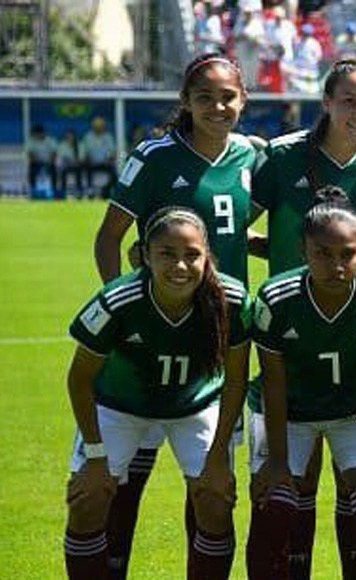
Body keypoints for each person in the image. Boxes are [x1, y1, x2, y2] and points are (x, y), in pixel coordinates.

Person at [91, 52, 263, 578]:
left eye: (228, 96)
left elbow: (232, 236)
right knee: (125, 481)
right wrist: (125, 311)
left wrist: (268, 249)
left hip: (218, 336)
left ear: (244, 101)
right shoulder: (155, 156)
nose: (217, 106)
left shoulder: (252, 159)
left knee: (210, 484)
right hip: (152, 336)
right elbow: (109, 240)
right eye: (204, 96)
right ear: (185, 102)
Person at [250, 58, 356, 579]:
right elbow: (231, 225)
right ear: (326, 102)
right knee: (291, 494)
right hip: (290, 337)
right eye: (349, 100)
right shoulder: (284, 156)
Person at [63, 206, 251, 579]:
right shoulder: (119, 301)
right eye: (167, 254)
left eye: (192, 255)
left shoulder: (232, 299)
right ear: (145, 255)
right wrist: (96, 459)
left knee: (215, 499)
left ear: (207, 256)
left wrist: (217, 459)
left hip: (195, 405)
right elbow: (79, 380)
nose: (180, 266)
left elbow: (235, 381)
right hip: (121, 406)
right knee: (88, 499)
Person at [247, 189, 356, 580]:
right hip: (287, 414)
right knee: (275, 504)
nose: (336, 264)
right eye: (323, 253)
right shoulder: (276, 297)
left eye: (347, 254)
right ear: (303, 250)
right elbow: (273, 381)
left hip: (353, 412)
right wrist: (279, 460)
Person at [81, 117, 117, 199]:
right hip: (92, 163)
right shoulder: (88, 137)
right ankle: (89, 191)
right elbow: (84, 153)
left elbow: (112, 152)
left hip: (105, 163)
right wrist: (89, 159)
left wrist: (108, 159)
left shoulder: (108, 137)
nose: (99, 128)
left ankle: (107, 192)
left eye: (100, 126)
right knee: (85, 167)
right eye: (97, 126)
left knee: (113, 171)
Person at [26, 124, 58, 198]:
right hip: (36, 163)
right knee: (32, 169)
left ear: (43, 133)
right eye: (35, 134)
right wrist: (37, 161)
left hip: (49, 162)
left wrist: (49, 162)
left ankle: (53, 191)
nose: (36, 136)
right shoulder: (31, 141)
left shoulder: (51, 140)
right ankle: (33, 191)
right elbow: (30, 154)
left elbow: (54, 154)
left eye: (38, 134)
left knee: (53, 170)